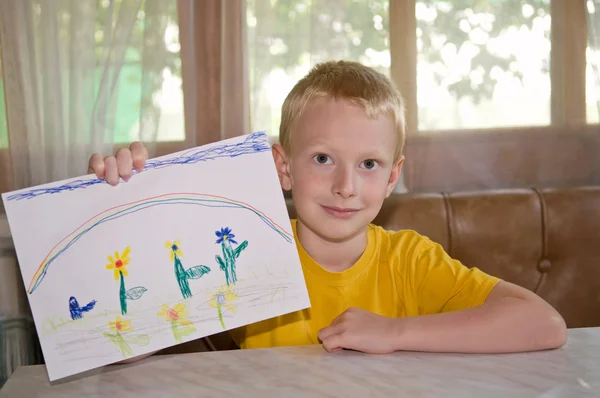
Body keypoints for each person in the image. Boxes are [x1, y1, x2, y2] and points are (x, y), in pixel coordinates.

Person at [88, 60, 566, 360]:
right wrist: (122, 204)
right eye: (322, 159)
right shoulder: (242, 255)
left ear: (392, 176)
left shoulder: (410, 260)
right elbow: (123, 348)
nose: (345, 186)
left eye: (369, 164)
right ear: (283, 166)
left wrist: (395, 332)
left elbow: (544, 323)